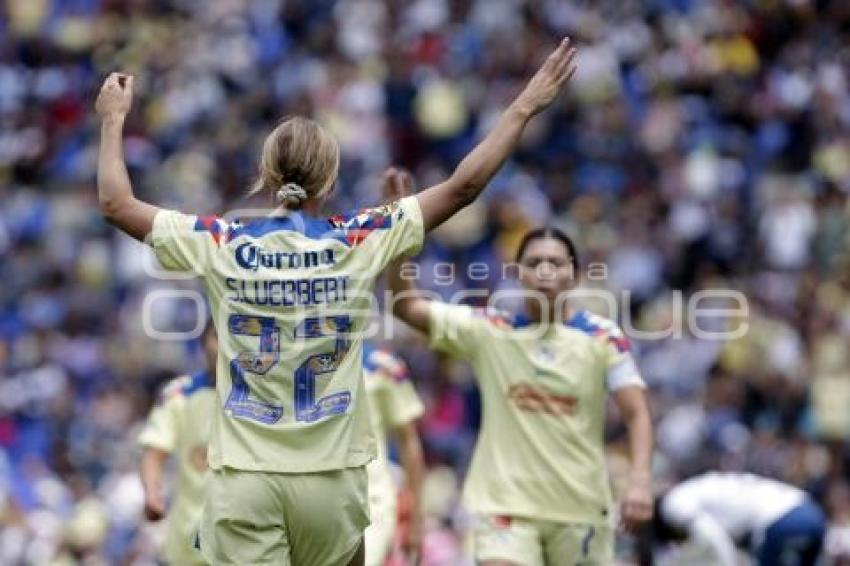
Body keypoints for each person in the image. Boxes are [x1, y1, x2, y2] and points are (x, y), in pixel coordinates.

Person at [95, 38, 577, 566]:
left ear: (268, 176)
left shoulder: (222, 241)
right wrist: (524, 106)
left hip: (247, 478)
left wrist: (113, 119)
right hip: (334, 484)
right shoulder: (360, 238)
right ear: (329, 177)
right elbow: (463, 187)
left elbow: (116, 203)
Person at [385, 172, 654, 564]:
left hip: (579, 508)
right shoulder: (491, 331)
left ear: (575, 275)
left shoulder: (603, 337)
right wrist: (400, 230)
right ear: (518, 273)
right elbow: (406, 308)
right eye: (535, 263)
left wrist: (640, 480)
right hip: (504, 507)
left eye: (555, 263)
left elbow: (637, 412)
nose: (545, 270)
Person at [138, 322, 218, 565]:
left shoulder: (268, 396)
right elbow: (155, 452)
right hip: (189, 542)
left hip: (249, 541)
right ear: (203, 342)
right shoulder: (180, 394)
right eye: (217, 336)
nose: (225, 345)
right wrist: (153, 493)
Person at [651, 471, 826, 566]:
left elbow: (714, 536)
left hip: (781, 521)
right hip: (812, 512)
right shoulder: (695, 488)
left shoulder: (672, 503)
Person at [362, 343, 425, 566]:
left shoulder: (382, 366)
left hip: (371, 502)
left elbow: (408, 440)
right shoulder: (289, 360)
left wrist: (415, 520)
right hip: (308, 501)